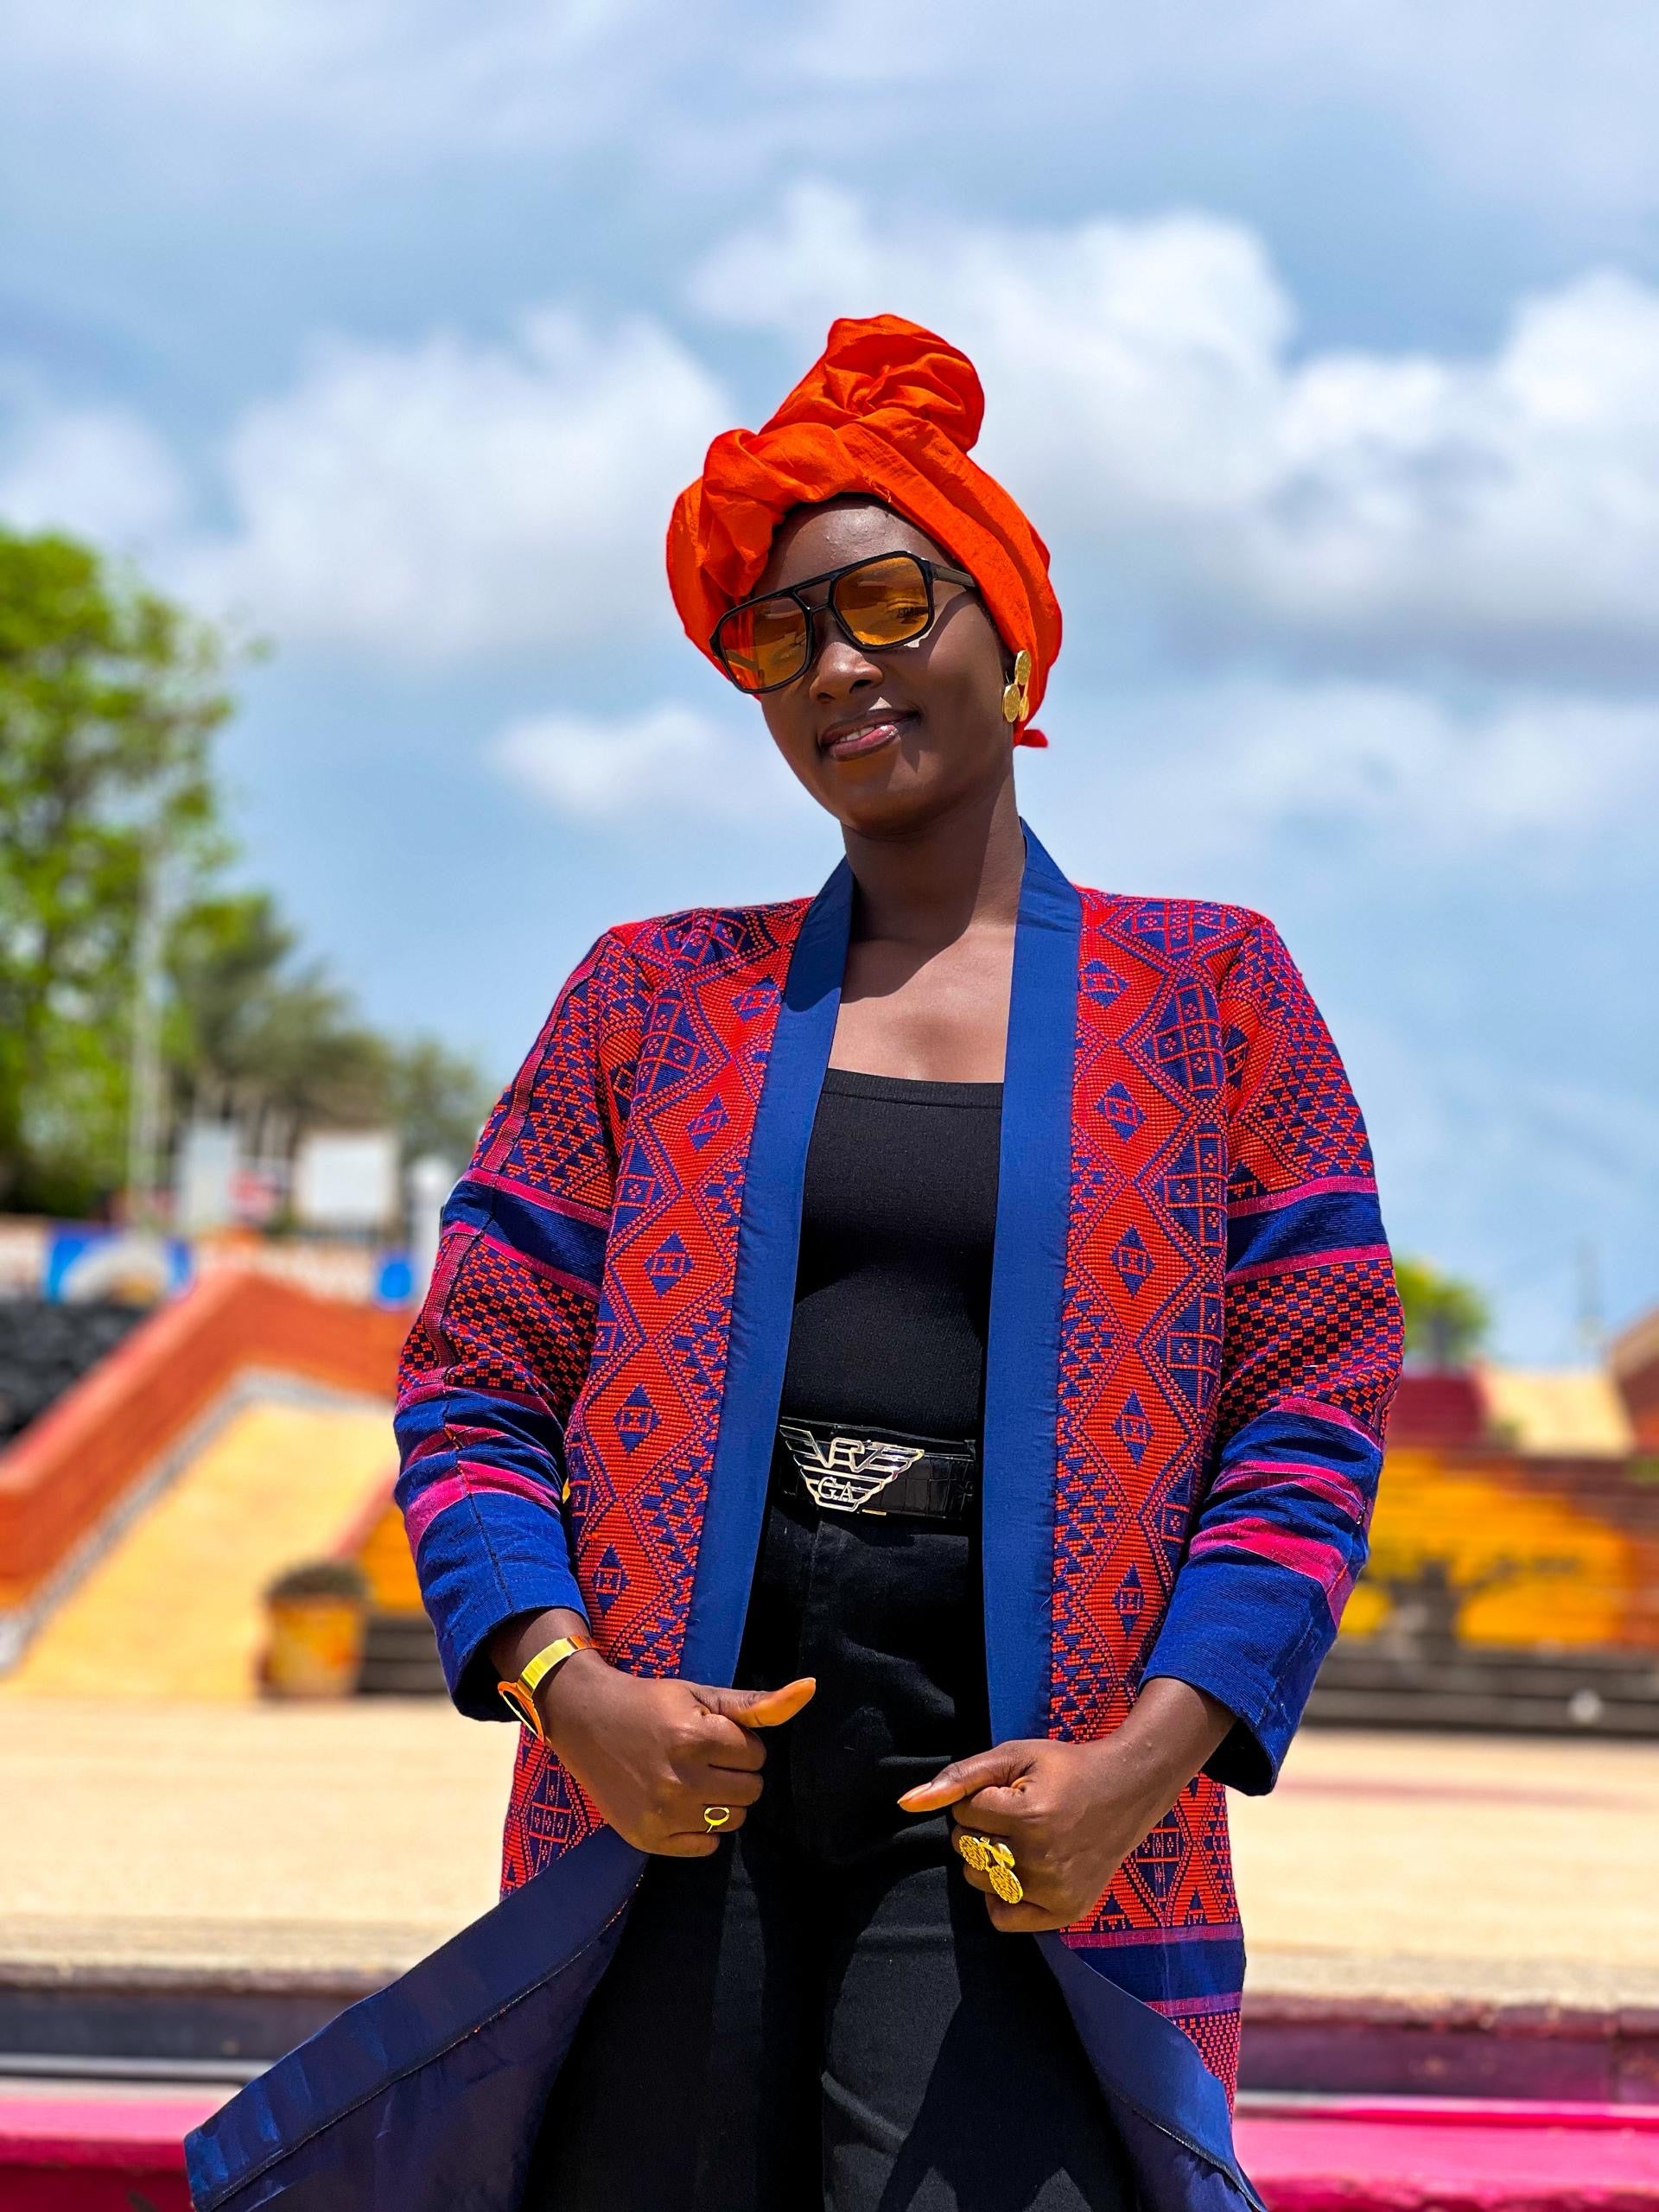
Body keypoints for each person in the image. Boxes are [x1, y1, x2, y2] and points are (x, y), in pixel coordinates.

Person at [185, 316, 1402, 2212]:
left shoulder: (1213, 993)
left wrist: (1139, 1767)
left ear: (1010, 627)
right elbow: (475, 1383)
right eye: (781, 634)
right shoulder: (646, 995)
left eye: (891, 599)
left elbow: (1313, 1411)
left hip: (1023, 1807)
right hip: (675, 1793)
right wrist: (567, 1687)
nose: (838, 662)